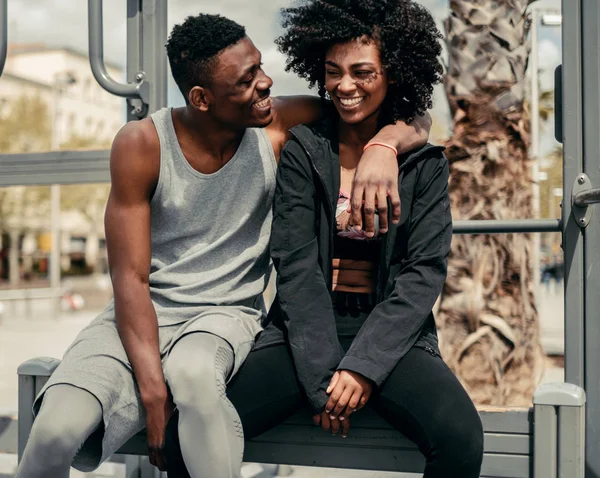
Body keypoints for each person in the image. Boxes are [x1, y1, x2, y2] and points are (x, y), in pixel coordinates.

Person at [15, 13, 431, 478]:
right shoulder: (142, 144)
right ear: (202, 98)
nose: (266, 81)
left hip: (224, 315)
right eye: (247, 78)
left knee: (194, 376)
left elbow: (406, 112)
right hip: (139, 314)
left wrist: (385, 146)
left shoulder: (275, 128)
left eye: (259, 66)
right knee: (53, 432)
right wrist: (152, 397)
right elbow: (129, 279)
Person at [269, 0, 484, 476]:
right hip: (305, 327)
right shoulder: (306, 148)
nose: (345, 86)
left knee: (461, 438)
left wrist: (363, 366)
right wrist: (325, 378)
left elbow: (423, 272)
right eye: (332, 71)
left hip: (389, 331)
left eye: (362, 72)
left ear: (394, 73)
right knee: (193, 425)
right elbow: (295, 264)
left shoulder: (424, 165)